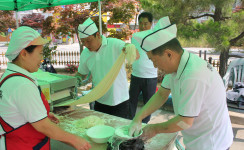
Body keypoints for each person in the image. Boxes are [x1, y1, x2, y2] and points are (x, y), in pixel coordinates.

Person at [129, 16, 233, 150]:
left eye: (154, 60)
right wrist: (138, 117)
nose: (155, 66)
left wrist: (154, 129)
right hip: (196, 139)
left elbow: (185, 122)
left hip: (212, 144)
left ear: (169, 54)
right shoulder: (177, 66)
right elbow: (161, 94)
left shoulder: (193, 76)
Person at [0, 26, 91, 150]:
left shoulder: (8, 76)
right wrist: (75, 139)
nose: (41, 59)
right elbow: (43, 126)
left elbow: (19, 113)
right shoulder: (22, 84)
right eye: (40, 53)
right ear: (24, 53)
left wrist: (43, 115)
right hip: (22, 145)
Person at [76, 18, 139, 119]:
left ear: (97, 35)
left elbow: (136, 55)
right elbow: (81, 73)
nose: (86, 45)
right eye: (83, 42)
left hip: (120, 100)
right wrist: (77, 79)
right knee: (101, 130)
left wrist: (130, 48)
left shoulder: (114, 44)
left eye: (88, 41)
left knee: (119, 131)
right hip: (99, 100)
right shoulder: (85, 53)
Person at [128, 12, 158, 123]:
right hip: (136, 75)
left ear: (151, 24)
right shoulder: (134, 37)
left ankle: (144, 124)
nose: (143, 26)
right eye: (140, 23)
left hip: (150, 77)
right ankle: (129, 122)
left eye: (146, 23)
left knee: (148, 103)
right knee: (131, 101)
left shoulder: (155, 38)